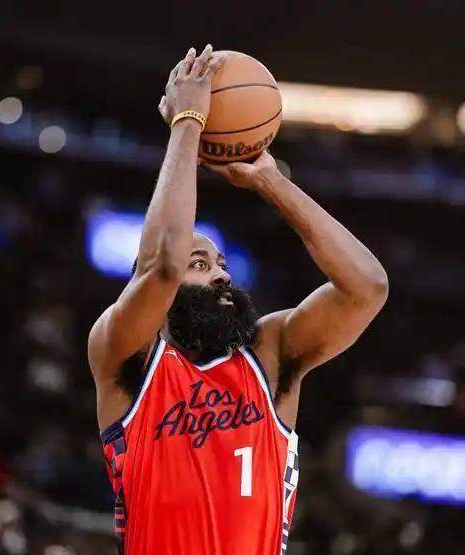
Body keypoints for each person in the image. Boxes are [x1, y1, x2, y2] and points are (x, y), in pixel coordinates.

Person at [88, 44, 388, 555]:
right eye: (201, 264)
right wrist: (188, 123)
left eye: (222, 264)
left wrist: (270, 181)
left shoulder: (268, 356)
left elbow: (367, 287)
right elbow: (162, 266)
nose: (222, 275)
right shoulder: (127, 360)